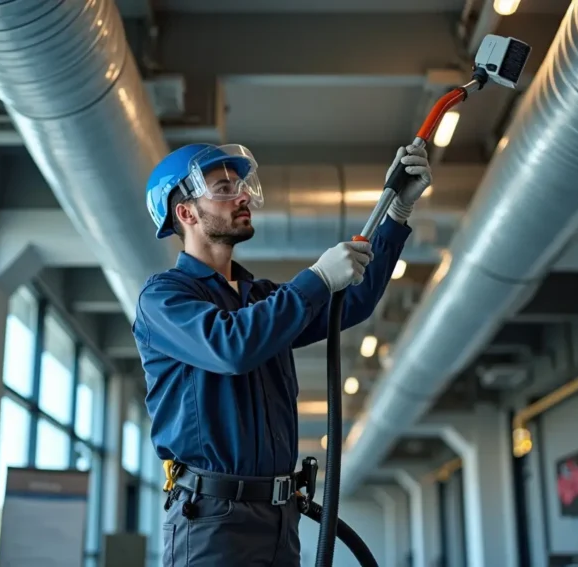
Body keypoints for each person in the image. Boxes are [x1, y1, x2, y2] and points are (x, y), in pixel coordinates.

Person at [133, 142, 432, 566]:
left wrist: (397, 212)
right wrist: (315, 279)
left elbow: (355, 301)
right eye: (222, 188)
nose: (241, 196)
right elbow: (231, 346)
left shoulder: (260, 298)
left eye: (240, 185)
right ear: (186, 213)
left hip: (279, 518)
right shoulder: (163, 298)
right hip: (212, 522)